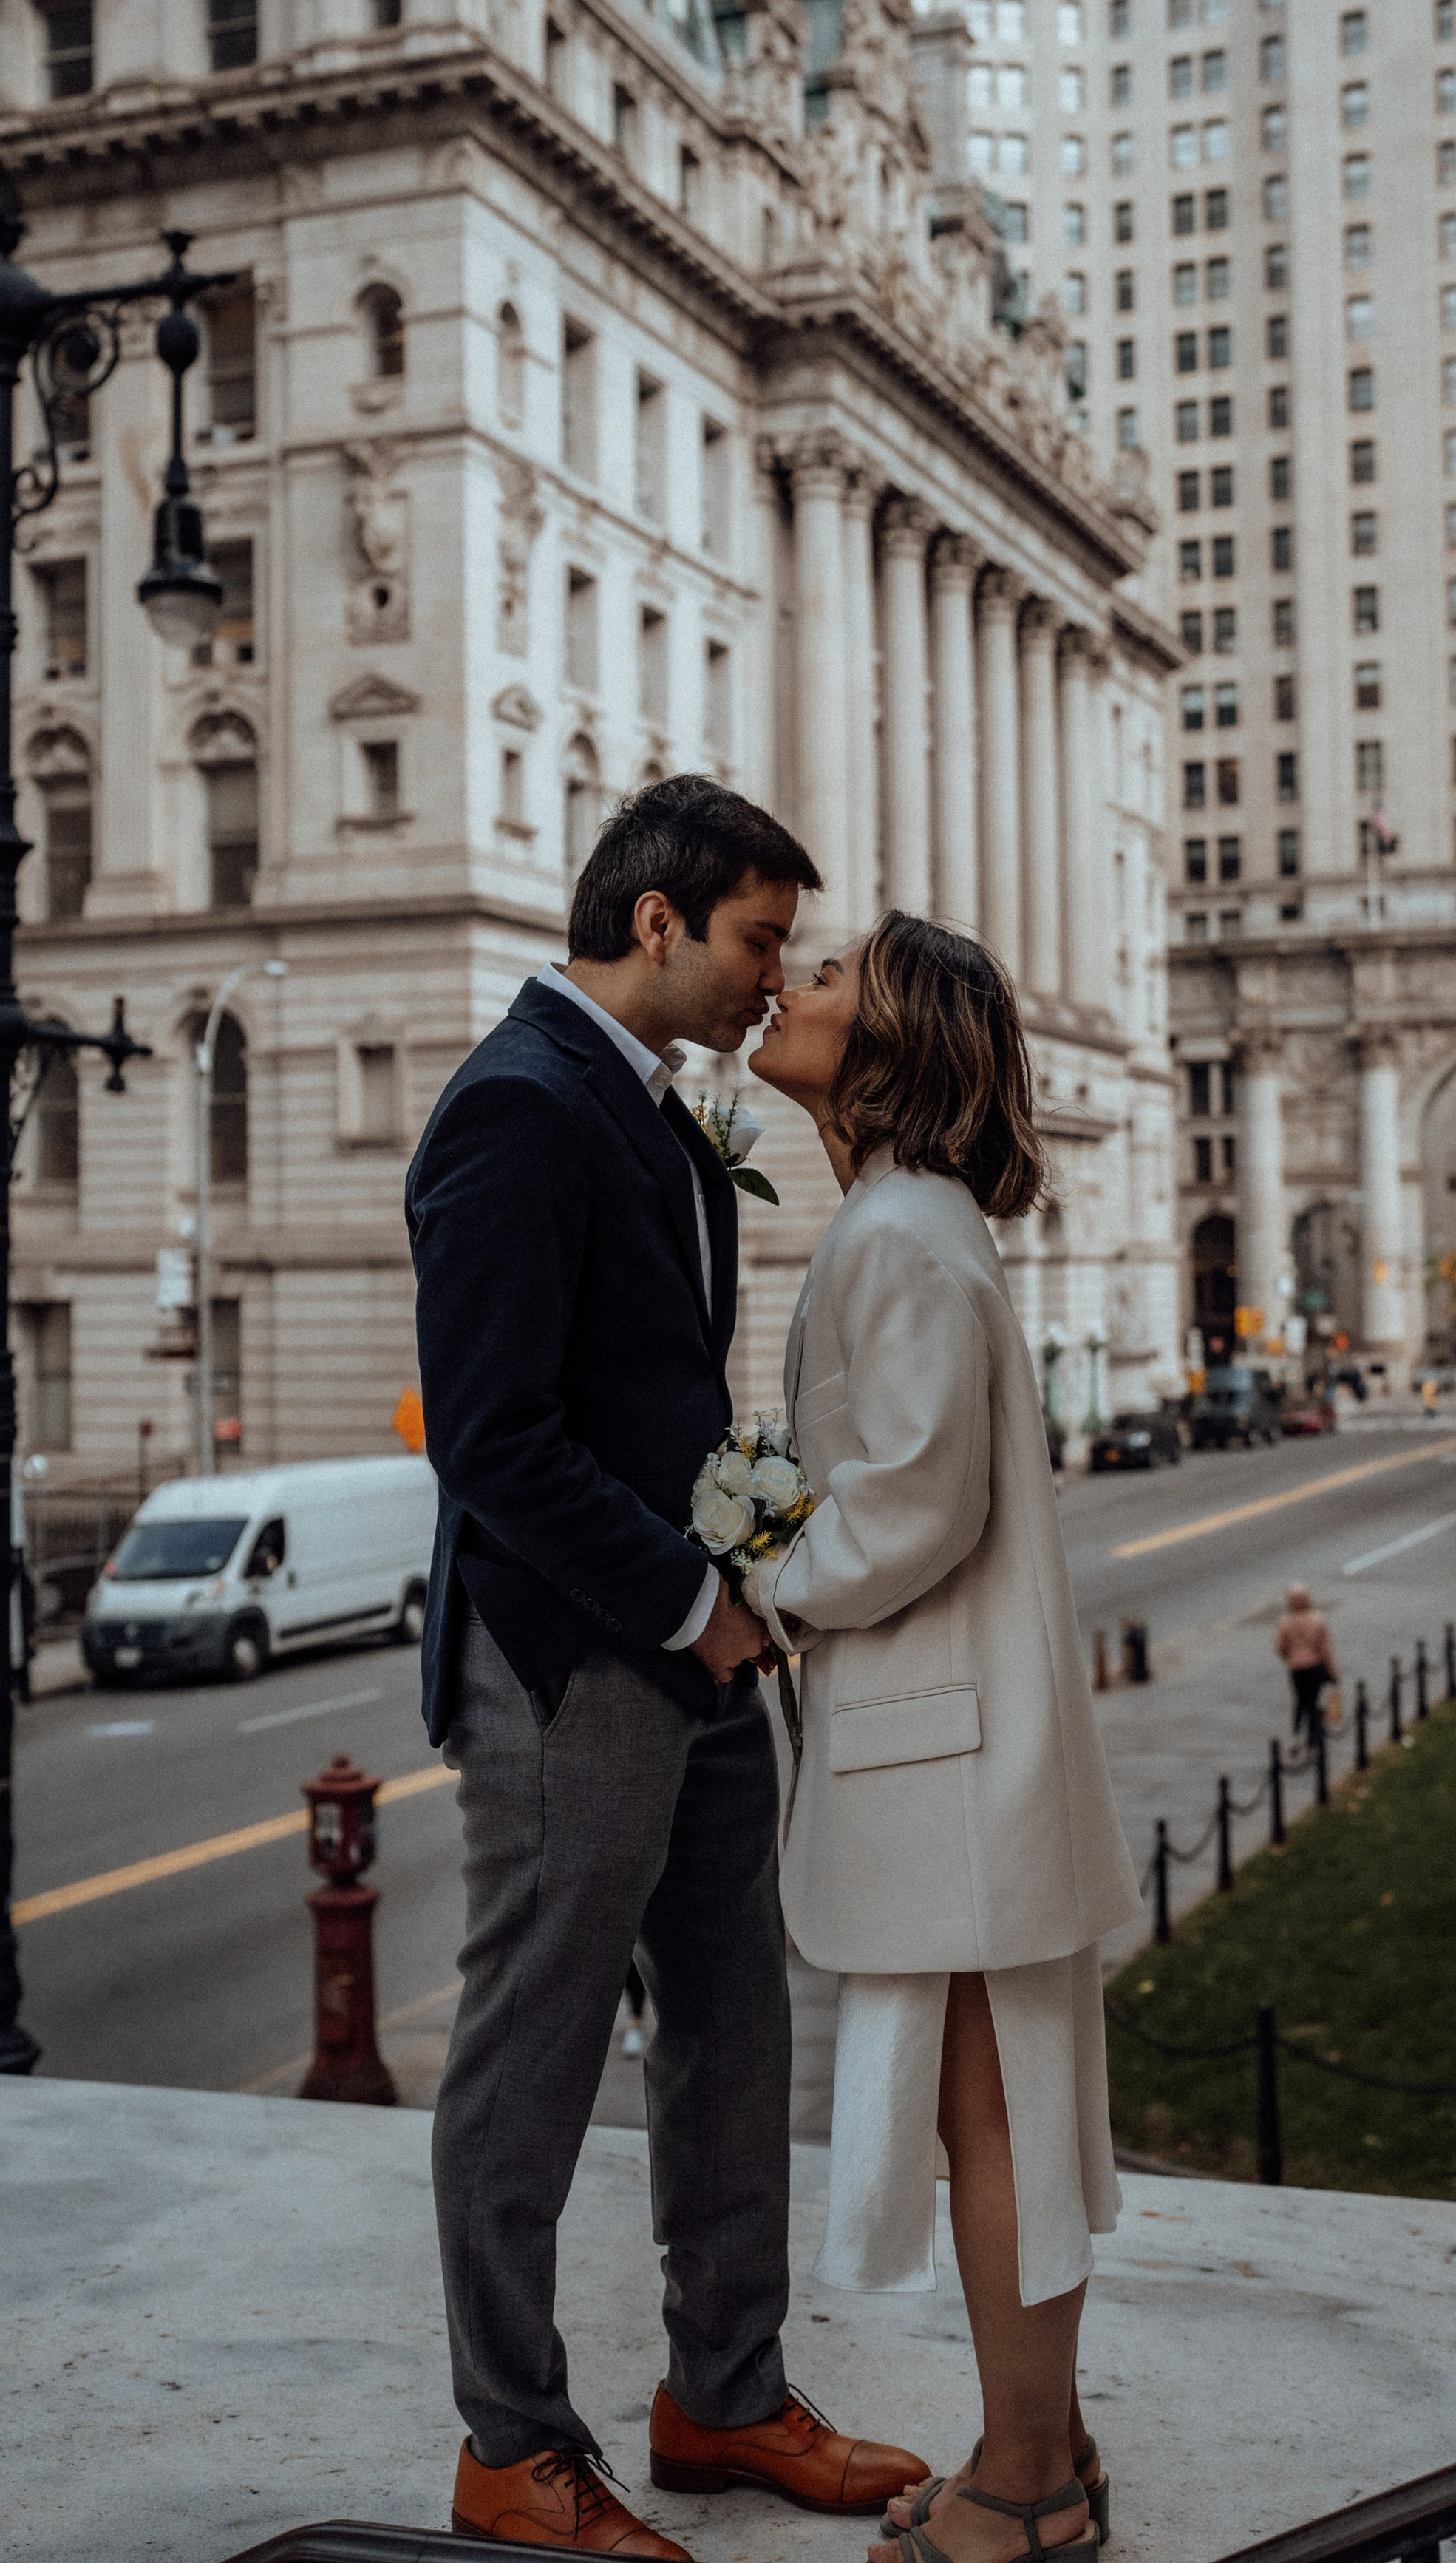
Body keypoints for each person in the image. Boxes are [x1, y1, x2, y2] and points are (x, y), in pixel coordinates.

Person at [406, 780, 925, 2556]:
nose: (775, 977)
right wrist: (683, 1598)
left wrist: (744, 1574)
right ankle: (510, 2445)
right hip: (572, 1660)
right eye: (759, 939)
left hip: (694, 1647)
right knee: (531, 2046)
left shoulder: (651, 1108)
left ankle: (721, 2391)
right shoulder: (513, 1109)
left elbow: (659, 1403)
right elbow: (489, 1437)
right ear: (656, 919)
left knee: (730, 2016)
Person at [746, 912, 1141, 2563]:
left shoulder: (897, 1235)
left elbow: (913, 1503)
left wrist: (760, 1585)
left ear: (889, 1042)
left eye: (824, 976)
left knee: (994, 2122)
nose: (787, 982)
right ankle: (1035, 2442)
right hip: (968, 1744)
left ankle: (1027, 2489)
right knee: (1009, 2114)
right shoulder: (914, 1225)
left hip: (953, 1754)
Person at [1274, 1583, 1337, 1752]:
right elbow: (1324, 1649)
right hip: (1315, 1666)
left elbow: (1280, 1648)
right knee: (1314, 1700)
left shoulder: (1285, 1622)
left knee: (1300, 1700)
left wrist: (1291, 1657)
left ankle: (1297, 1733)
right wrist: (1332, 1670)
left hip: (1296, 1668)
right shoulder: (1317, 1619)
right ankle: (1313, 1735)